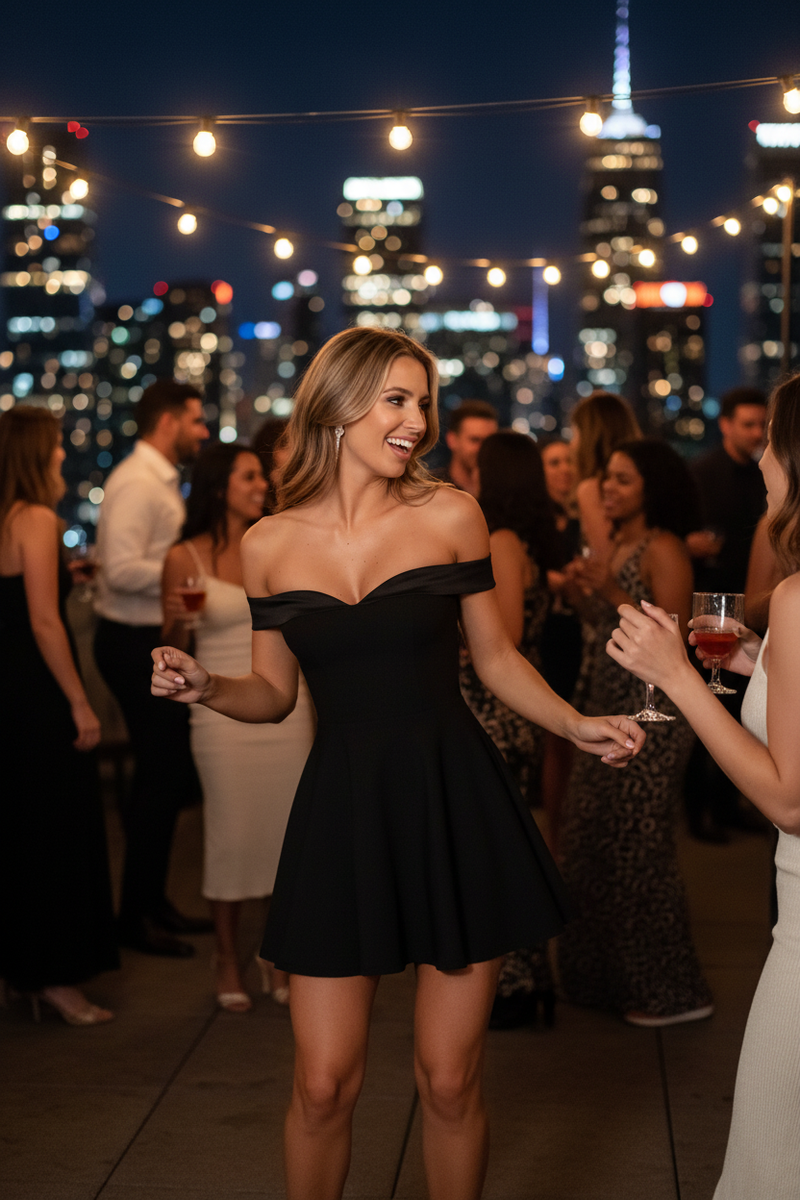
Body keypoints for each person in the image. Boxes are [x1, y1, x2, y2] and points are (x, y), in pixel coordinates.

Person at [150, 326, 645, 1200]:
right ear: (338, 406)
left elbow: (494, 660)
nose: (419, 420)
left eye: (424, 401)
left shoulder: (452, 515)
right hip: (341, 813)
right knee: (321, 1083)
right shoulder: (268, 544)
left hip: (451, 801)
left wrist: (577, 724)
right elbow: (273, 693)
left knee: (449, 1081)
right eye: (397, 400)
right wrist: (205, 685)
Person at [606, 372, 800, 1198]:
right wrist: (759, 670)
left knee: (770, 1161)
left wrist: (678, 677)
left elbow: (792, 800)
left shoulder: (795, 597)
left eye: (770, 443)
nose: (758, 460)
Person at [558, 438, 713, 1026]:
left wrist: (610, 591)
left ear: (652, 485)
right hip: (606, 704)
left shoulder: (664, 547)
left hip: (655, 713)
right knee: (593, 837)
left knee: (639, 846)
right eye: (606, 479)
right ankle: (602, 981)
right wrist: (583, 594)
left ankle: (669, 991)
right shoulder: (617, 542)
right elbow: (607, 623)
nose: (608, 489)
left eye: (622, 479)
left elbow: (670, 637)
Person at [161, 443, 315, 1012]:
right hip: (219, 714)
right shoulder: (184, 557)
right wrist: (178, 622)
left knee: (285, 836)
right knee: (230, 834)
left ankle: (272, 955)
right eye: (249, 476)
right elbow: (172, 655)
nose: (261, 485)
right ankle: (226, 955)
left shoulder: (276, 543)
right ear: (218, 485)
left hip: (287, 707)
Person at [0, 406, 118, 1025]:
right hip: (40, 696)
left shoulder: (5, 520)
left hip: (7, 694)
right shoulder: (39, 518)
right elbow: (44, 622)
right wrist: (78, 700)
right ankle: (55, 978)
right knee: (56, 832)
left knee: (18, 831)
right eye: (53, 448)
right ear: (35, 454)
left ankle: (19, 970)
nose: (61, 458)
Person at [94, 379, 212, 957]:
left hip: (146, 637)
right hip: (130, 641)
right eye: (196, 420)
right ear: (167, 422)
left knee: (162, 778)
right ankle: (134, 916)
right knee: (161, 777)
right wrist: (185, 577)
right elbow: (117, 569)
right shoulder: (137, 483)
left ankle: (151, 903)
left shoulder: (156, 481)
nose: (203, 431)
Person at [459, 430, 563, 1028]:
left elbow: (509, 636)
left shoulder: (498, 538)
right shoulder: (518, 536)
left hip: (498, 714)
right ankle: (529, 981)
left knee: (498, 852)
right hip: (511, 711)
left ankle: (517, 984)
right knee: (509, 845)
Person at [684, 386, 768, 843]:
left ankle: (730, 806)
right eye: (748, 424)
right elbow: (683, 538)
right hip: (712, 610)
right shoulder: (702, 474)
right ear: (726, 425)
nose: (756, 433)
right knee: (708, 714)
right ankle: (699, 816)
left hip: (753, 614)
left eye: (761, 425)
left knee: (744, 714)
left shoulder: (764, 475)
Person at [570, 390, 641, 558]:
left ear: (590, 437)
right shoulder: (643, 482)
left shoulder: (592, 489)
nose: (572, 444)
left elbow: (606, 561)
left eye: (575, 434)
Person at [432, 399, 498, 495]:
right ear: (452, 440)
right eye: (475, 440)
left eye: (489, 441)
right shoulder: (433, 489)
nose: (483, 448)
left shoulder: (503, 492)